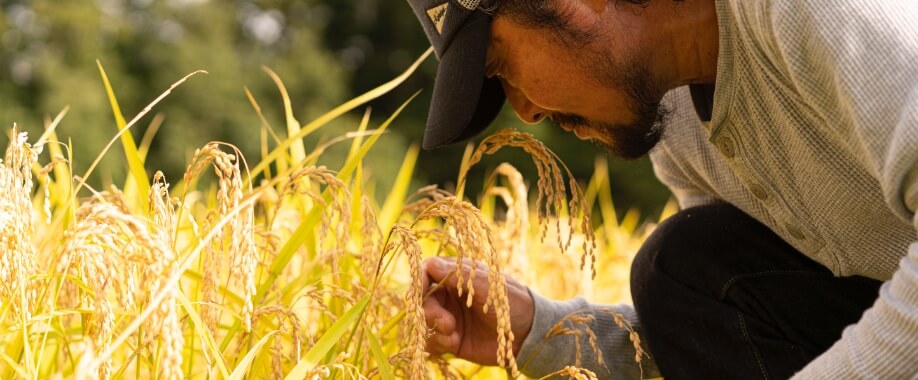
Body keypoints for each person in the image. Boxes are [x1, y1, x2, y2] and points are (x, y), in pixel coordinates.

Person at [404, 0, 918, 378]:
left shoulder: (811, 12)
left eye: (500, 66)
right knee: (683, 271)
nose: (527, 111)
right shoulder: (679, 132)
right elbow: (728, 339)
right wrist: (542, 331)